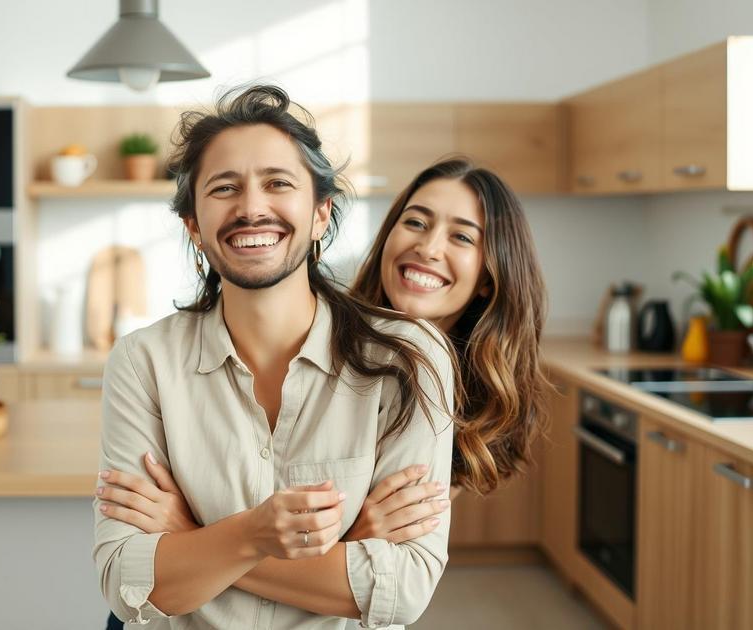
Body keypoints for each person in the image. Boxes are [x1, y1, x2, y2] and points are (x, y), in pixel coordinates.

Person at [94, 85, 458, 629]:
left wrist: (196, 538)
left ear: (320, 214)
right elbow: (126, 583)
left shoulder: (410, 357)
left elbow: (403, 588)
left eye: (278, 183)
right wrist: (260, 536)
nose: (251, 208)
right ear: (194, 226)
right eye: (224, 188)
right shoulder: (142, 361)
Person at [100, 157, 550, 555]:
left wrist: (192, 540)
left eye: (462, 237)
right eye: (415, 222)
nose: (428, 248)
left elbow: (378, 568)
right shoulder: (318, 335)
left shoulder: (465, 401)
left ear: (490, 275)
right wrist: (346, 543)